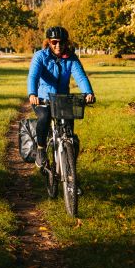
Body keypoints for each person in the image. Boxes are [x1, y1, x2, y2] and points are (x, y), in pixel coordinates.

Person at [27, 26, 95, 167]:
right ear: (48, 42)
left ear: (66, 43)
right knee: (44, 117)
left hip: (63, 99)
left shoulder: (71, 58)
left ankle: (70, 174)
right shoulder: (40, 56)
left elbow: (80, 77)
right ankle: (41, 150)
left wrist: (88, 92)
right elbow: (33, 76)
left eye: (62, 42)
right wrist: (32, 93)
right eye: (54, 42)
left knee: (70, 136)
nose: (59, 45)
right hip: (42, 98)